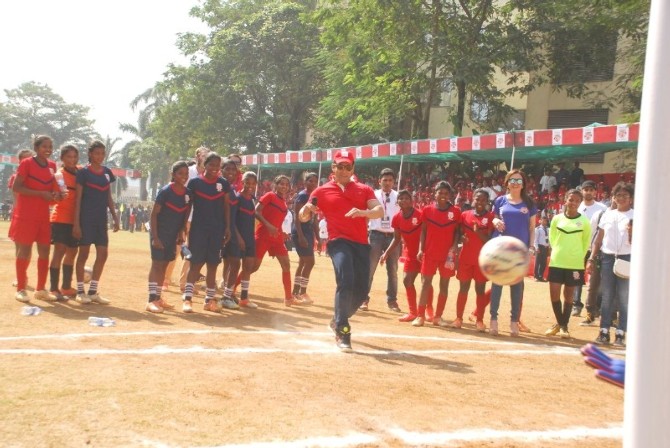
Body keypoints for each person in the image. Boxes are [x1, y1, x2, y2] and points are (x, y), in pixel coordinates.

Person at [299, 149, 382, 351]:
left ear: (353, 168)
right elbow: (302, 217)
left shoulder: (364, 189)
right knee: (346, 279)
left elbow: (379, 210)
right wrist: (307, 209)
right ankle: (343, 330)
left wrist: (363, 212)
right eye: (340, 166)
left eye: (348, 166)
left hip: (361, 244)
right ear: (333, 168)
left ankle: (337, 319)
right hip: (338, 242)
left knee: (362, 291)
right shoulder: (321, 191)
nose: (344, 170)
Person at [11, 136, 61, 302]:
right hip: (25, 215)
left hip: (43, 217)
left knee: (45, 251)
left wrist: (58, 196)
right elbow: (16, 187)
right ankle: (21, 289)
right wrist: (40, 194)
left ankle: (40, 289)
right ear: (36, 147)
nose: (48, 149)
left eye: (50, 146)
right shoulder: (26, 163)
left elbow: (52, 195)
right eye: (44, 146)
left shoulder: (53, 166)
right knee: (24, 250)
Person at [181, 152, 231, 313]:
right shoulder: (195, 183)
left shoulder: (223, 184)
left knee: (213, 265)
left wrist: (228, 227)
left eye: (218, 166)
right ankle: (187, 299)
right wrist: (184, 225)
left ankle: (209, 300)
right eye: (212, 165)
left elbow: (226, 207)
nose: (215, 168)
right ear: (205, 165)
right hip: (198, 230)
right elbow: (187, 206)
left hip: (217, 231)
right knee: (195, 264)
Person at [489, 170, 537, 336]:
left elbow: (532, 228)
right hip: (501, 249)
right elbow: (493, 217)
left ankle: (514, 321)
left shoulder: (529, 203)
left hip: (520, 250)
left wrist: (531, 247)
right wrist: (495, 220)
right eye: (512, 180)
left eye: (519, 180)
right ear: (507, 183)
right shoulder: (500, 200)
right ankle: (493, 320)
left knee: (517, 287)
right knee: (497, 284)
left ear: (523, 183)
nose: (515, 183)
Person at [72, 140, 120, 304]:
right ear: (90, 154)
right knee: (83, 254)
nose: (100, 156)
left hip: (101, 221)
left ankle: (92, 291)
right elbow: (78, 199)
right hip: (86, 220)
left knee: (103, 254)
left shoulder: (107, 173)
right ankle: (80, 291)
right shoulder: (83, 173)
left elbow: (108, 197)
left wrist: (115, 217)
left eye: (102, 153)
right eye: (97, 153)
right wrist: (76, 223)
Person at [589, 182, 634, 346]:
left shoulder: (635, 215)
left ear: (631, 198)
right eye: (618, 195)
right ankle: (604, 331)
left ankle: (621, 332)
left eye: (625, 195)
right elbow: (598, 239)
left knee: (623, 297)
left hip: (627, 257)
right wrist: (592, 258)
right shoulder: (607, 215)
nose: (621, 198)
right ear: (613, 198)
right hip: (607, 258)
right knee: (607, 296)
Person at [413, 181, 461, 327]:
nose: (443, 195)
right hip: (430, 253)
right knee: (425, 283)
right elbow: (423, 231)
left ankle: (438, 317)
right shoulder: (427, 210)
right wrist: (421, 249)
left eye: (446, 193)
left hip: (447, 255)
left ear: (449, 195)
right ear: (435, 193)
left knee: (444, 285)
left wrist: (454, 248)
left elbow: (457, 232)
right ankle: (420, 315)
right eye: (440, 192)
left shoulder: (456, 212)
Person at [544, 189, 591, 338]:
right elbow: (552, 238)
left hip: (574, 264)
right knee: (554, 294)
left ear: (580, 203)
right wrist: (558, 251)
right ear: (565, 200)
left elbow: (585, 243)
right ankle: (562, 324)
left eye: (577, 201)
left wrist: (578, 257)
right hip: (557, 261)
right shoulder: (557, 219)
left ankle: (563, 326)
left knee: (569, 295)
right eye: (571, 200)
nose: (573, 203)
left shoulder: (584, 221)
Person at [145, 161, 191, 313]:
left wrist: (180, 233)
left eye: (186, 174)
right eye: (180, 173)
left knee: (164, 265)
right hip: (160, 233)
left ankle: (158, 297)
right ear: (173, 174)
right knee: (157, 265)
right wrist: (155, 237)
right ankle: (151, 300)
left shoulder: (187, 194)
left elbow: (183, 218)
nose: (183, 176)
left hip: (172, 235)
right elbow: (154, 215)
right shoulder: (165, 191)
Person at [249, 175, 296, 306]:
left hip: (277, 238)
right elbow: (256, 212)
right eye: (281, 184)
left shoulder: (284, 201)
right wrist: (268, 225)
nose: (284, 186)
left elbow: (278, 220)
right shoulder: (269, 196)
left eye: (286, 184)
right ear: (275, 184)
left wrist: (282, 232)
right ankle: (231, 288)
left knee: (286, 265)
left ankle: (288, 298)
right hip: (263, 235)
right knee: (253, 267)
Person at [379, 189, 422, 322]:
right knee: (407, 280)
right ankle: (413, 312)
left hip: (424, 252)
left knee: (426, 282)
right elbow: (396, 239)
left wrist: (422, 250)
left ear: (411, 201)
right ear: (397, 202)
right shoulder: (397, 218)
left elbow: (424, 234)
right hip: (410, 254)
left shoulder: (420, 215)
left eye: (406, 198)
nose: (403, 200)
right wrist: (386, 253)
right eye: (401, 198)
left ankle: (428, 311)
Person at [454, 189, 494, 331]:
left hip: (482, 260)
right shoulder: (465, 215)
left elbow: (490, 240)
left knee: (480, 290)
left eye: (483, 200)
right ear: (473, 200)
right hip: (465, 258)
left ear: (487, 202)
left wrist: (478, 232)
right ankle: (458, 318)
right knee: (463, 288)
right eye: (477, 199)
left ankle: (479, 320)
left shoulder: (490, 217)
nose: (480, 202)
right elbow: (458, 233)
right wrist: (461, 238)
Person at [363, 168, 402, 313]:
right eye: (384, 180)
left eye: (390, 180)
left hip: (393, 236)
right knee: (370, 269)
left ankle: (392, 301)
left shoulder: (398, 196)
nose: (387, 183)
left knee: (393, 270)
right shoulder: (372, 196)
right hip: (376, 235)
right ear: (379, 181)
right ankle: (363, 299)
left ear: (394, 182)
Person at [48, 145, 80, 300]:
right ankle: (53, 289)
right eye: (69, 157)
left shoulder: (80, 173)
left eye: (74, 157)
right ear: (62, 158)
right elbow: (52, 197)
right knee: (59, 252)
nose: (72, 160)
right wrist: (57, 197)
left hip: (75, 220)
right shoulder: (58, 176)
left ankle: (66, 287)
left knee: (73, 252)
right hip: (60, 218)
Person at [571, 180, 608, 316]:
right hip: (578, 247)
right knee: (577, 277)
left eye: (591, 190)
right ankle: (576, 304)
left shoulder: (602, 208)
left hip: (596, 248)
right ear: (582, 191)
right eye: (586, 189)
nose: (588, 192)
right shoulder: (577, 206)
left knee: (596, 279)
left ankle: (594, 307)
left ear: (595, 191)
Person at [179, 146, 210, 292]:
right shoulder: (188, 172)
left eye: (207, 156)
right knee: (176, 249)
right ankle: (165, 279)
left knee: (193, 250)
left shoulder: (209, 175)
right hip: (185, 214)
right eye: (203, 155)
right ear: (197, 156)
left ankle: (186, 282)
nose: (205, 158)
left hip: (199, 217)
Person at [228, 172, 259, 308]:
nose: (250, 186)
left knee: (248, 266)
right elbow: (232, 221)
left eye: (253, 183)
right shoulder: (237, 198)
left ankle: (244, 298)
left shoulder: (252, 199)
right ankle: (227, 295)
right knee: (235, 267)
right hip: (237, 238)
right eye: (248, 183)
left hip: (249, 238)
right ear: (243, 182)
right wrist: (239, 238)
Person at [8, 148, 35, 287]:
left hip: (33, 216)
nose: (28, 161)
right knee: (19, 248)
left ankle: (23, 275)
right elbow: (16, 197)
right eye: (25, 159)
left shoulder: (37, 177)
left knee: (28, 248)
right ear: (20, 161)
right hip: (19, 215)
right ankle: (21, 276)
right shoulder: (15, 177)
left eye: (30, 158)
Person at [291, 172, 319, 304]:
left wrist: (318, 237)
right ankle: (302, 292)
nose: (312, 183)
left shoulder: (315, 197)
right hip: (301, 231)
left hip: (308, 231)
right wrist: (301, 236)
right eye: (310, 181)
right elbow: (297, 217)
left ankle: (295, 292)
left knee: (303, 262)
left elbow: (315, 219)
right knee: (309, 262)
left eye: (314, 181)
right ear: (305, 182)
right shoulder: (302, 196)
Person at [533, 217, 550, 281]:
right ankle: (536, 276)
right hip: (540, 246)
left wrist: (549, 247)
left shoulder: (548, 229)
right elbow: (535, 239)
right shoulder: (538, 229)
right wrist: (536, 248)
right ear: (540, 221)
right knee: (538, 262)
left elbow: (549, 239)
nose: (545, 222)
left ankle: (541, 275)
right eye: (543, 221)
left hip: (545, 247)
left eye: (546, 221)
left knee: (544, 263)